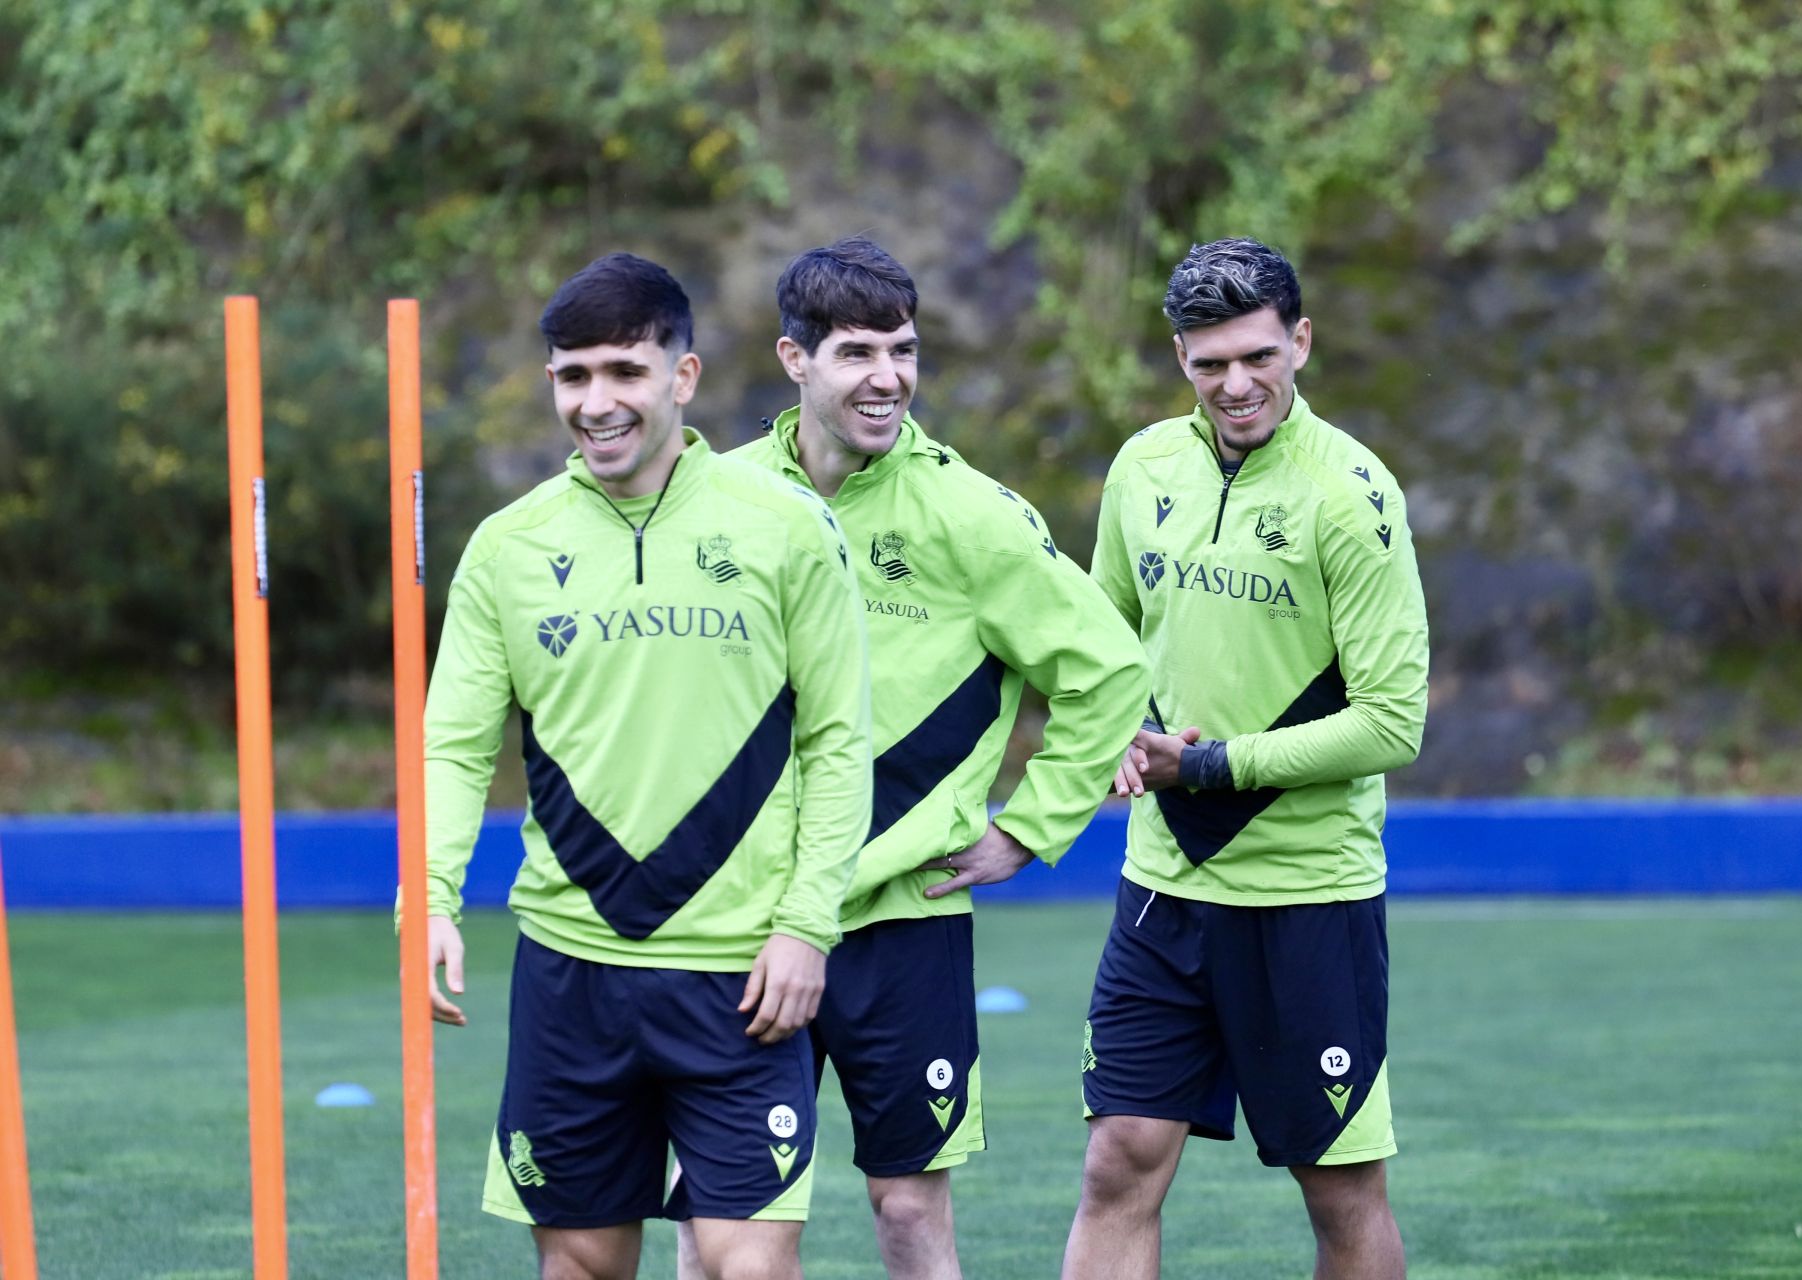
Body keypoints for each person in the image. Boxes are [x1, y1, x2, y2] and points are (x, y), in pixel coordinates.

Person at [678, 236, 1148, 1280]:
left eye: (903, 349)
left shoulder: (969, 513)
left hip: (906, 920)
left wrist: (1032, 827)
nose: (887, 377)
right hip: (741, 916)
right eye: (856, 352)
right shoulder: (721, 499)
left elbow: (1109, 669)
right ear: (795, 359)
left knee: (905, 1206)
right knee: (724, 1227)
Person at [420, 252, 872, 1280]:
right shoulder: (507, 548)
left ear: (684, 376)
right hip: (571, 970)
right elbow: (455, 741)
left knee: (746, 1265)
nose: (597, 401)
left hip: (743, 972)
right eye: (574, 376)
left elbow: (840, 738)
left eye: (625, 371)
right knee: (580, 1263)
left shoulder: (790, 528)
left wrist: (808, 922)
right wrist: (434, 897)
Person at [1063, 237, 1429, 1280]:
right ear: (1178, 354)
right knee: (1118, 1160)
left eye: (1259, 355)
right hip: (1162, 888)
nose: (1237, 383)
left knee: (1340, 1187)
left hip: (1308, 898)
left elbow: (1393, 722)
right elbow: (1103, 642)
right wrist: (1122, 732)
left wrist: (1210, 765)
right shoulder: (1143, 468)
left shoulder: (1352, 494)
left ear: (1301, 341)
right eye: (1210, 360)